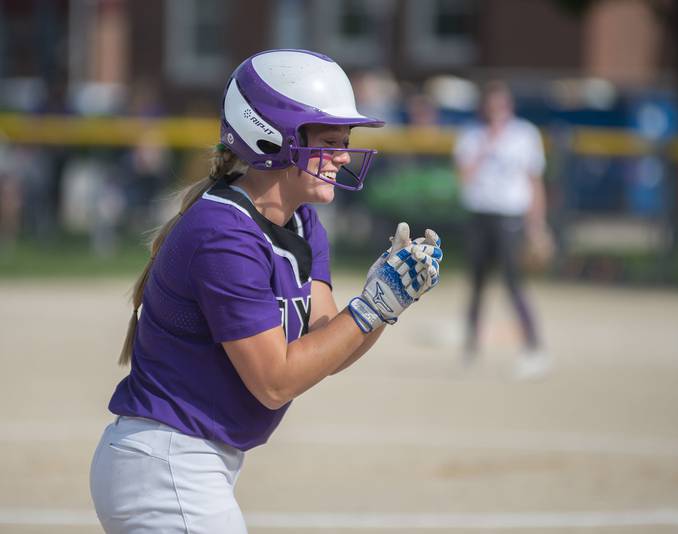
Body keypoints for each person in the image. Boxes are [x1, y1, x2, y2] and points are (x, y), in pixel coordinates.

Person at [89, 49, 443, 533]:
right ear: (271, 137)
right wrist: (369, 307)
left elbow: (326, 345)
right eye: (330, 141)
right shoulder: (224, 233)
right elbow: (275, 382)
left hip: (190, 464)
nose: (343, 156)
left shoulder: (301, 221)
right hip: (167, 466)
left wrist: (386, 305)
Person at [453, 80, 551, 379]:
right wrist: (485, 147)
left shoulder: (524, 135)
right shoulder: (471, 136)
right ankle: (470, 346)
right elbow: (464, 178)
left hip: (510, 216)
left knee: (513, 282)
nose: (496, 111)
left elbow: (535, 182)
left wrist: (537, 225)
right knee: (478, 282)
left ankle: (533, 347)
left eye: (501, 105)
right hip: (480, 214)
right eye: (491, 106)